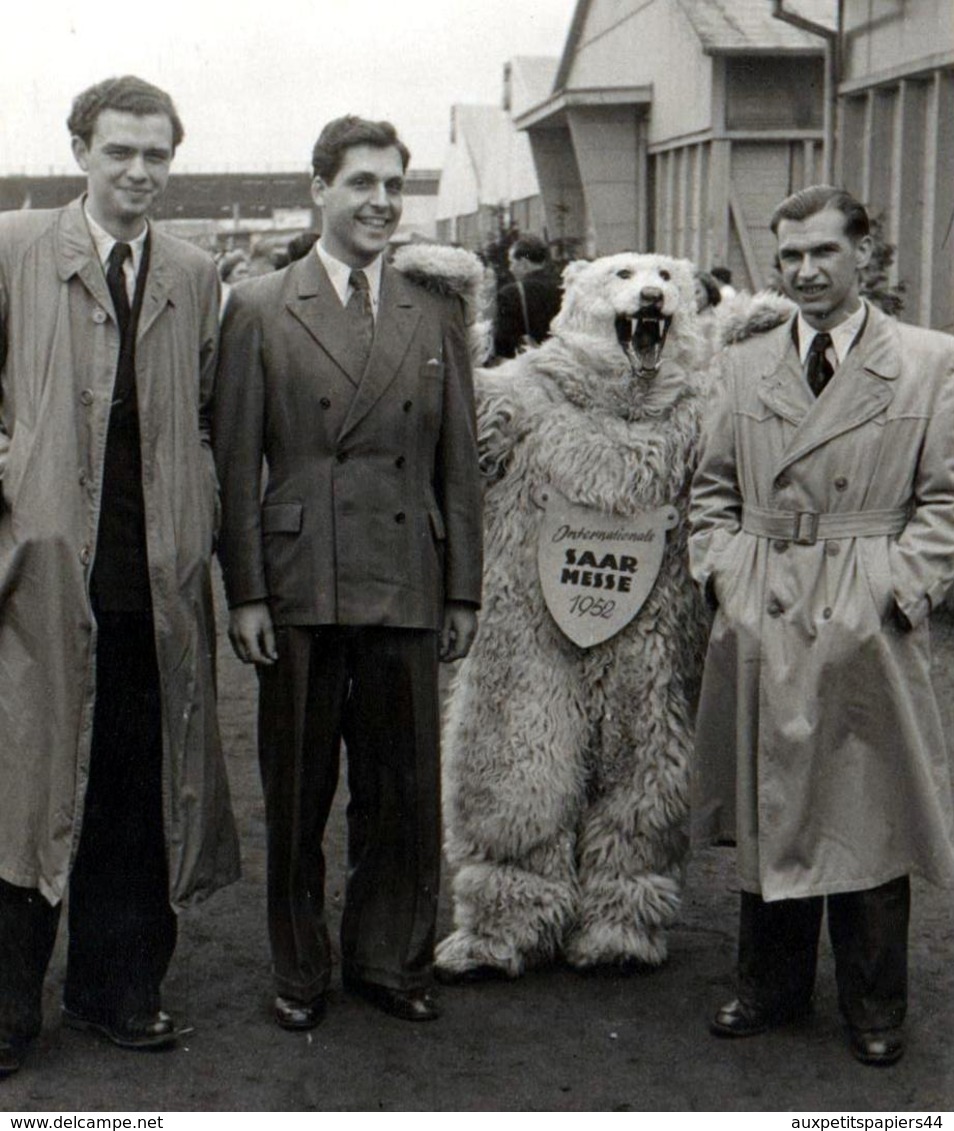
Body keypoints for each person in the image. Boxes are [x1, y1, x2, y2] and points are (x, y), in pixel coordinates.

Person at [213, 115, 482, 1030]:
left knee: (404, 789)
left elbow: (458, 464)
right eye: (362, 183)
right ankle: (301, 967)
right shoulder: (257, 304)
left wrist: (463, 588)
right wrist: (245, 590)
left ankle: (390, 955)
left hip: (408, 571)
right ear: (318, 187)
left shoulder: (432, 307)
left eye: (394, 187)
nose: (380, 203)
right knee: (296, 790)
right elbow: (236, 459)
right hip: (299, 579)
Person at [0, 76, 239, 1079]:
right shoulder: (15, 250)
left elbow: (204, 415)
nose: (139, 173)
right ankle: (9, 1008)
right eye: (120, 153)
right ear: (80, 152)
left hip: (154, 581)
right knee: (23, 786)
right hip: (41, 572)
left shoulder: (192, 273)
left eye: (156, 156)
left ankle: (119, 986)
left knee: (138, 791)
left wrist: (196, 526)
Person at [689, 184, 954, 1067]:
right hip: (768, 603)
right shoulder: (743, 364)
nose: (805, 272)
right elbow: (712, 494)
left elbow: (945, 502)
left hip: (863, 607)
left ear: (864, 255)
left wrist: (895, 587)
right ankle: (769, 985)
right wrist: (727, 573)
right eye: (791, 256)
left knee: (865, 805)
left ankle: (876, 1001)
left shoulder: (927, 361)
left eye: (825, 253)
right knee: (778, 799)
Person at [492, 234, 562, 359]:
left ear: (523, 263)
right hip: (562, 364)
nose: (510, 268)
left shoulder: (510, 293)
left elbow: (503, 344)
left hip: (527, 368)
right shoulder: (564, 287)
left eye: (511, 262)